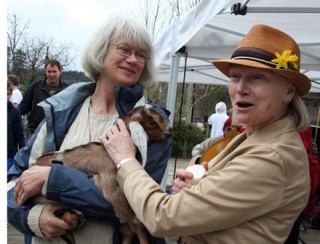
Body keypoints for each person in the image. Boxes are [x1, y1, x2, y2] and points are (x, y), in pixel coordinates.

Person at [99, 24, 311, 243]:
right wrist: (195, 187)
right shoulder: (252, 136)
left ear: (289, 91)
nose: (240, 88)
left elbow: (162, 217)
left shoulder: (272, 157)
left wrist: (125, 159)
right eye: (235, 76)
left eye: (257, 78)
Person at [8, 16, 172, 244]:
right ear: (101, 51)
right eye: (124, 49)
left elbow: (141, 205)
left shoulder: (151, 123)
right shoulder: (61, 111)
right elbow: (12, 182)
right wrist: (31, 218)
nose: (133, 60)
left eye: (142, 54)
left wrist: (53, 178)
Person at [18, 59, 69, 135]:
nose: (51, 75)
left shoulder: (67, 89)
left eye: (54, 71)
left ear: (60, 71)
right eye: (49, 71)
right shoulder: (35, 87)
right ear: (45, 72)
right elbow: (24, 106)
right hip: (36, 131)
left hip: (58, 132)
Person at [7, 80, 25, 173]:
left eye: (7, 94)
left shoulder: (14, 112)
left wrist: (23, 157)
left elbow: (20, 135)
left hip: (9, 155)